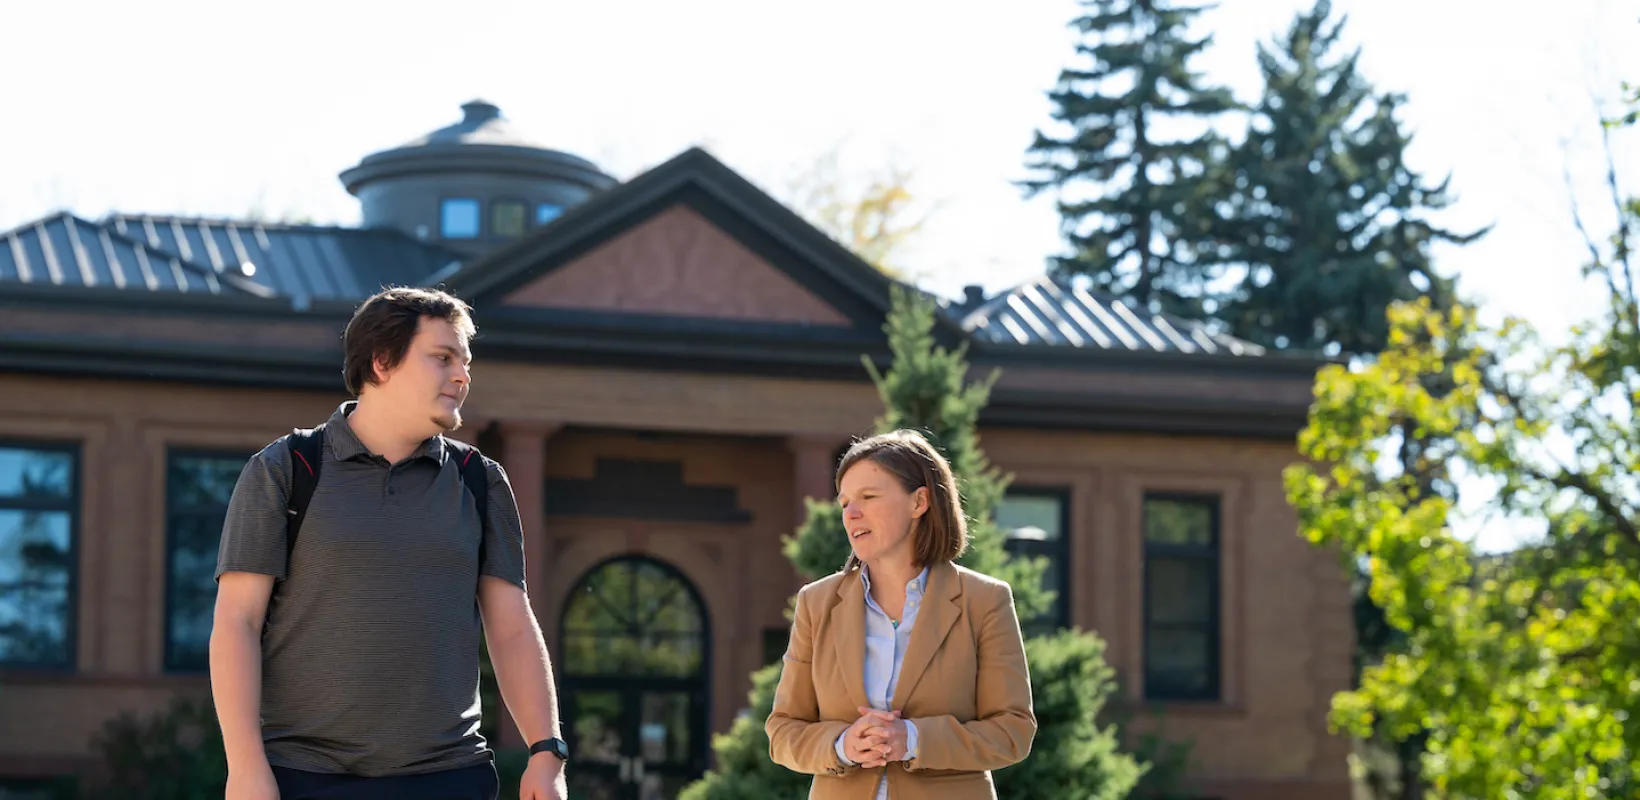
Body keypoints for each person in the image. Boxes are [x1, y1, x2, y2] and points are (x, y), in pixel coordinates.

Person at [209, 287, 570, 800]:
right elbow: (237, 622)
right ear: (382, 362)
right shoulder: (286, 469)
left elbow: (512, 628)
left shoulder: (479, 480)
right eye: (443, 358)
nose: (463, 376)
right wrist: (245, 768)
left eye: (465, 363)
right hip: (306, 778)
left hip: (449, 780)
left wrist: (546, 753)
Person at [766, 429, 1036, 799]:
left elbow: (1013, 732)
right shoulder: (816, 602)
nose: (851, 514)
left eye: (868, 497)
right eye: (845, 503)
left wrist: (912, 739)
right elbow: (783, 732)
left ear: (919, 501)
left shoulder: (984, 600)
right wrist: (842, 745)